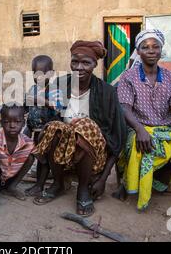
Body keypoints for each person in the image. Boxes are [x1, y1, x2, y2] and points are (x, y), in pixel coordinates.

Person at [30, 40, 127, 217]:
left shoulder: (107, 92)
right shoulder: (60, 85)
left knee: (84, 125)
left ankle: (82, 189)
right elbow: (44, 119)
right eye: (75, 61)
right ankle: (58, 183)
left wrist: (104, 178)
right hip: (63, 153)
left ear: (95, 65)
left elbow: (118, 137)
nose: (79, 67)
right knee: (54, 127)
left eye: (86, 63)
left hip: (93, 155)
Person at [116, 29, 171, 211]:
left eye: (155, 47)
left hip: (165, 129)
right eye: (145, 47)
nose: (151, 51)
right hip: (137, 127)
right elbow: (124, 108)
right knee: (142, 145)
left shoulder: (169, 78)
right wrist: (139, 129)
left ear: (161, 49)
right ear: (138, 51)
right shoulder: (128, 76)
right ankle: (136, 189)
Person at [23, 55, 63, 197]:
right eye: (35, 73)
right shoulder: (32, 89)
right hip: (35, 131)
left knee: (45, 160)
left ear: (51, 74)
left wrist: (41, 100)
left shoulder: (55, 90)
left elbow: (58, 108)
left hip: (49, 133)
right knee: (40, 160)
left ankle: (40, 185)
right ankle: (38, 185)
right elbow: (25, 109)